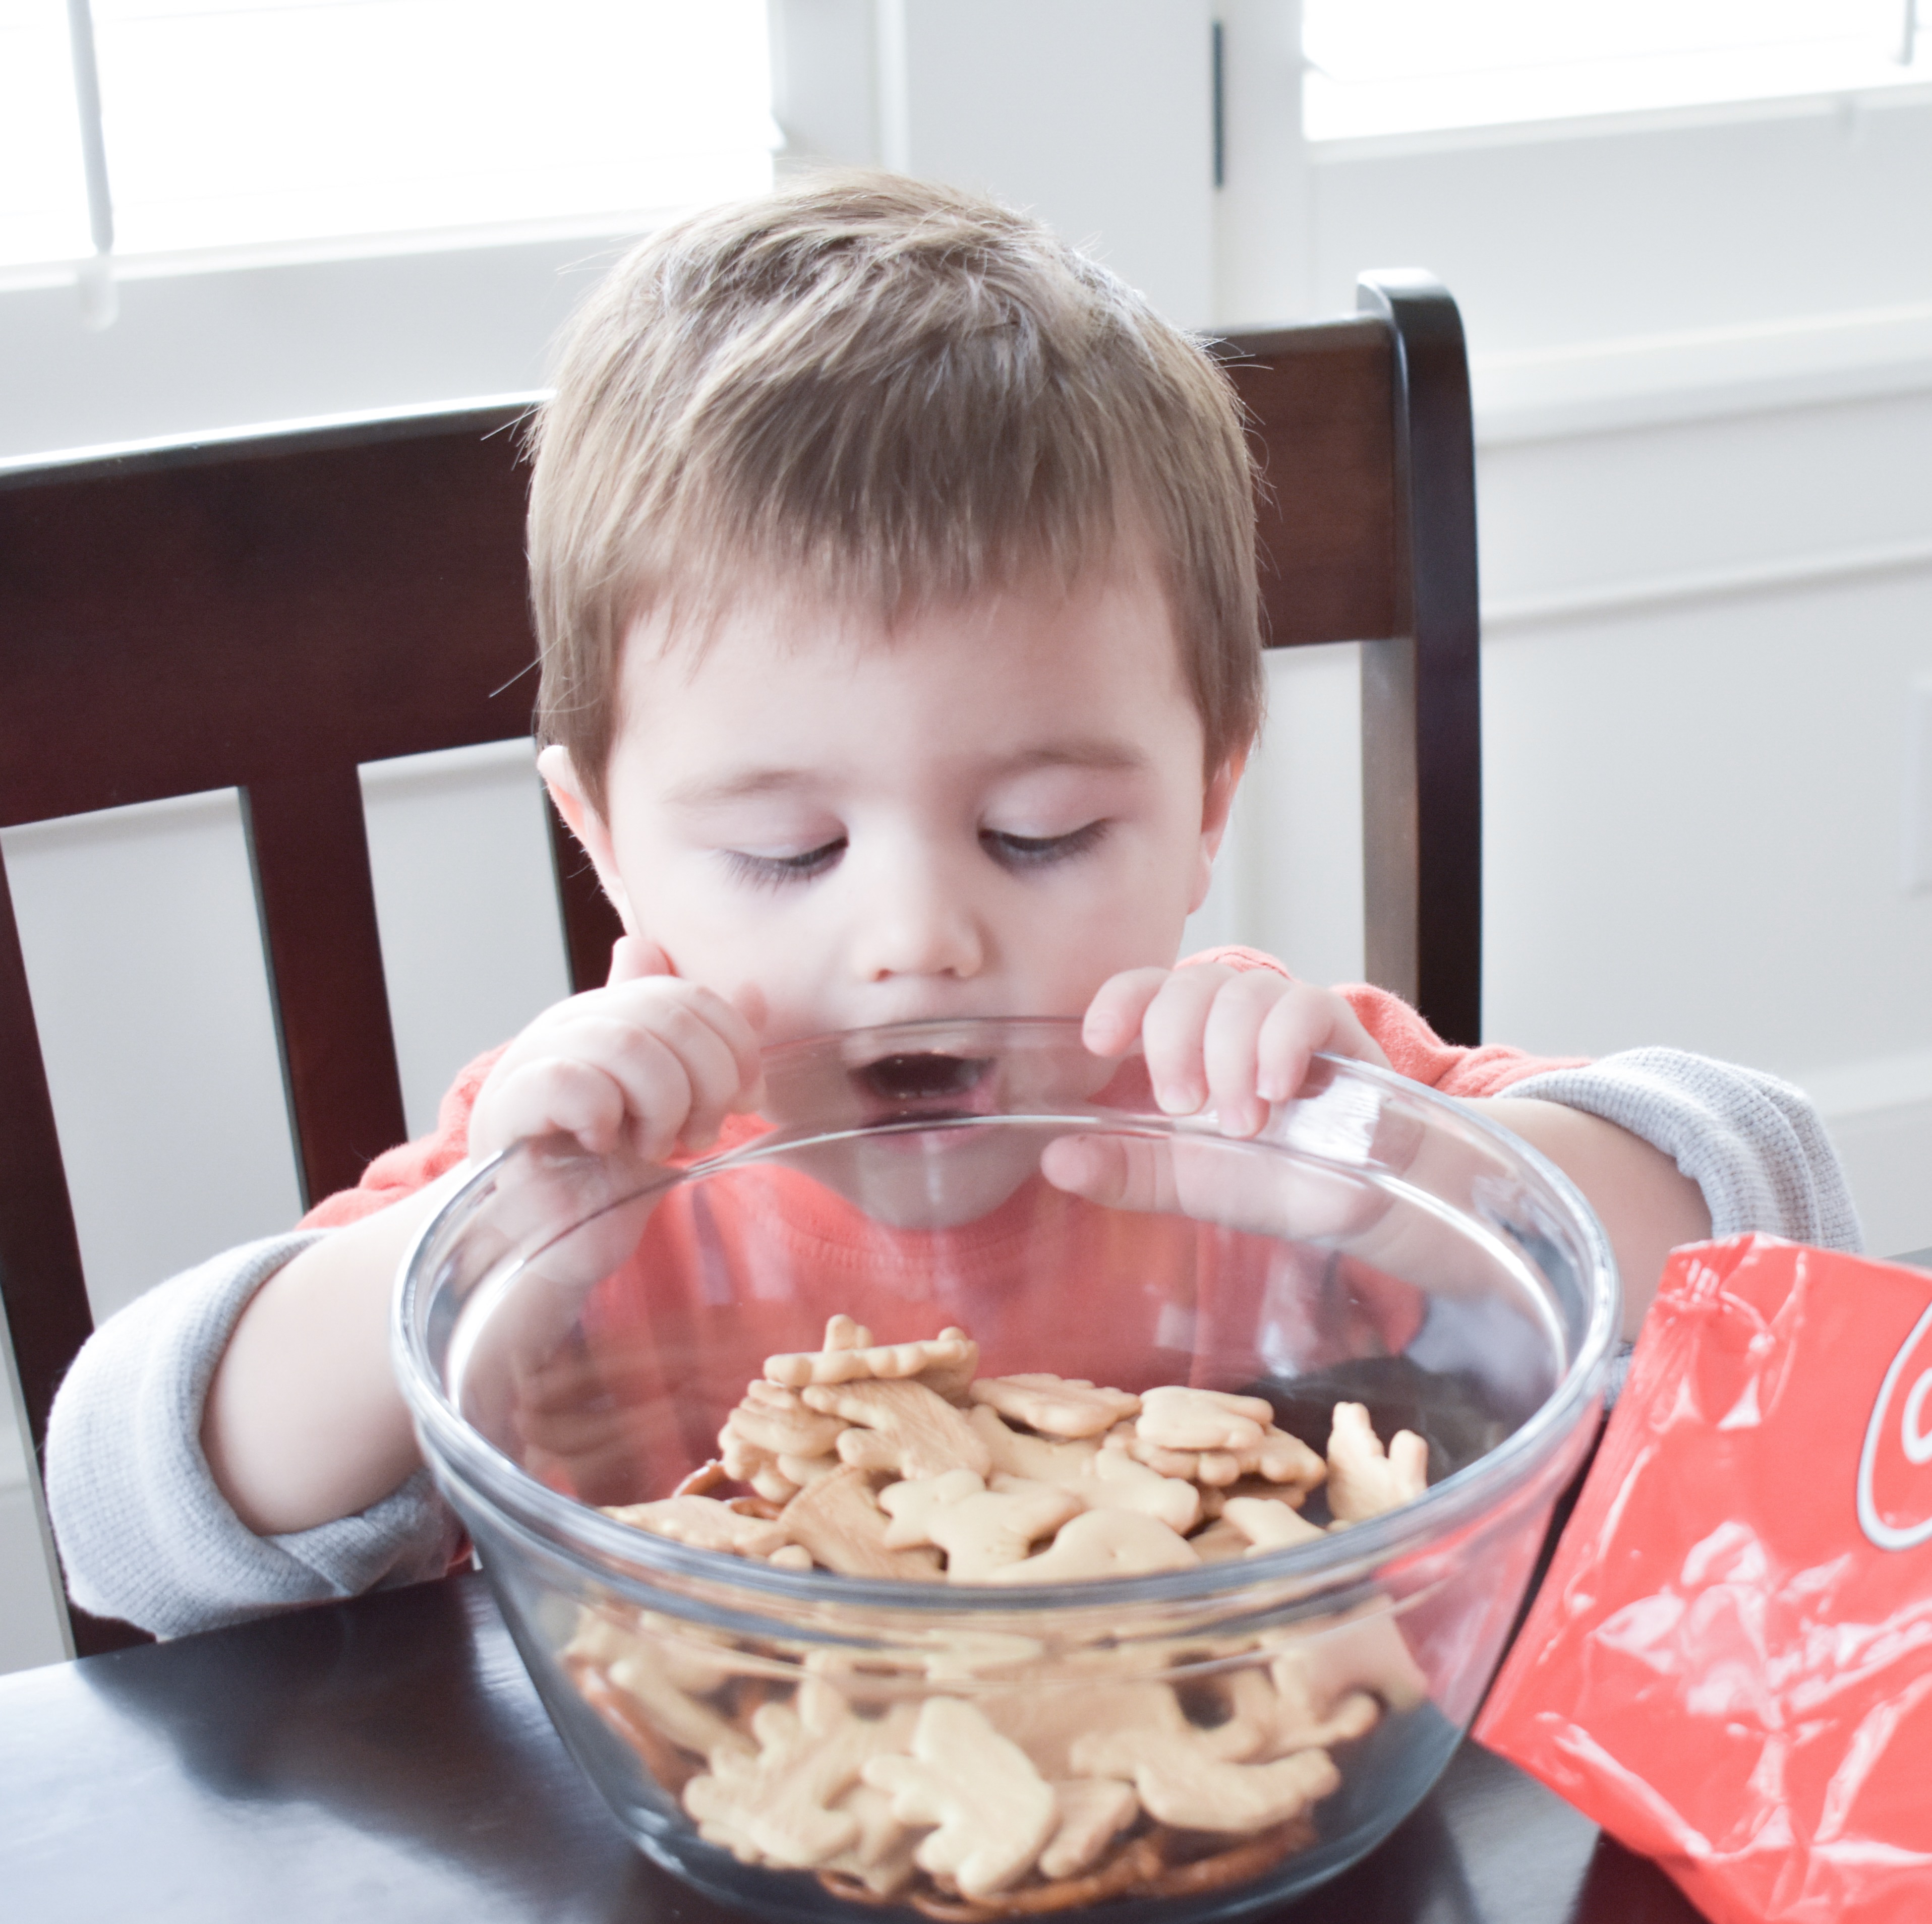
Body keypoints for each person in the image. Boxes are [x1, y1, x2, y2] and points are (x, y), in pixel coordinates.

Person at [45, 173, 1858, 1638]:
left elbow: (1783, 1207)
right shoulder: (584, 1176)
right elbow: (119, 1525)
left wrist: (1416, 1180)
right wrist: (489, 1252)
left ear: (1210, 795)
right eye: (788, 856)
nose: (919, 939)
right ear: (604, 840)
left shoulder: (1261, 1106)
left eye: (1045, 831)